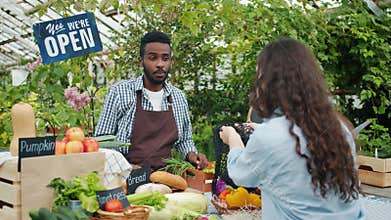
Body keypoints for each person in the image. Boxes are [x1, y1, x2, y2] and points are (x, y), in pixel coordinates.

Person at [219, 38, 366, 219]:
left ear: (268, 82)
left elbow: (241, 175)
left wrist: (233, 138)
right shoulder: (338, 128)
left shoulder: (270, 136)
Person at [95, 31, 208, 171]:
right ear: (141, 61)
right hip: (125, 178)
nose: (160, 64)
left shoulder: (178, 97)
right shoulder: (119, 93)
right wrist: (124, 167)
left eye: (165, 58)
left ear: (171, 61)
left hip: (166, 177)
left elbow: (185, 140)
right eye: (153, 58)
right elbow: (102, 142)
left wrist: (192, 155)